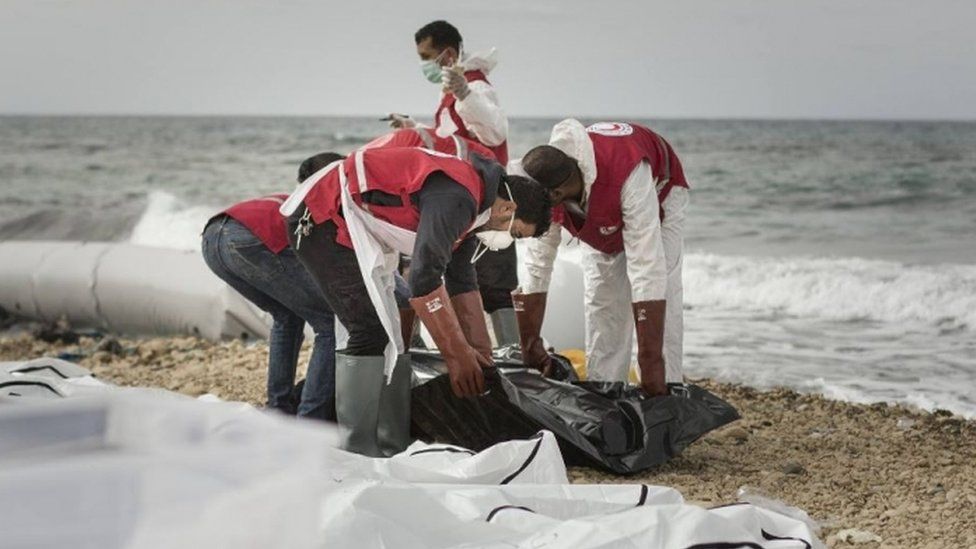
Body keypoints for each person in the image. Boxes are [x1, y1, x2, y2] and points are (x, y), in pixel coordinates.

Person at [281, 146, 551, 456]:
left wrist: (479, 354)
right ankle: (357, 453)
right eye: (515, 233)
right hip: (320, 218)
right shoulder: (460, 199)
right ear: (507, 209)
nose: (506, 241)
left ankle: (392, 443)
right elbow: (423, 276)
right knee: (368, 331)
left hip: (358, 228)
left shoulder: (477, 210)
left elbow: (461, 278)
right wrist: (455, 353)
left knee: (400, 332)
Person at [515, 120, 690, 397]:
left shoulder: (629, 174)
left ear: (556, 194)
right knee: (603, 298)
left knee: (663, 289)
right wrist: (530, 343)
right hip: (598, 201)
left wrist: (649, 359)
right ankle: (605, 390)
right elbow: (538, 264)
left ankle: (665, 388)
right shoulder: (547, 186)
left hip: (659, 192)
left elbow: (647, 265)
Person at [387, 20, 519, 348]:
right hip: (462, 195)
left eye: (426, 56)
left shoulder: (476, 86)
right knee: (455, 270)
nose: (423, 64)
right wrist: (414, 127)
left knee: (493, 279)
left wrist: (464, 93)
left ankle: (509, 356)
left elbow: (494, 132)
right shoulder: (451, 89)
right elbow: (453, 140)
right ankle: (474, 353)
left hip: (485, 194)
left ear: (447, 54)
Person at [201, 152, 344, 420]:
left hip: (213, 239)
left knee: (287, 316)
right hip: (249, 240)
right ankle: (310, 419)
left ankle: (279, 409)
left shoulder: (284, 198)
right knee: (329, 321)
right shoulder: (322, 202)